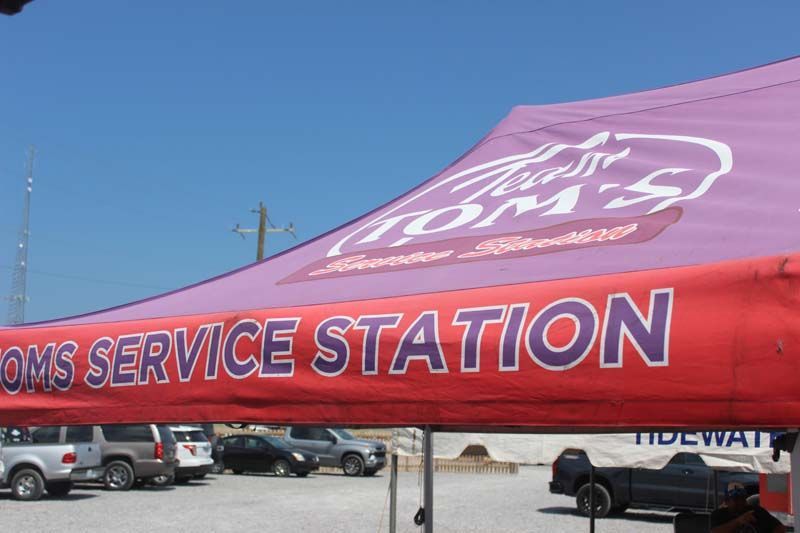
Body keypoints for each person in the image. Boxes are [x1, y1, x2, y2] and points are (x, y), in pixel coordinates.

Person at [710, 482, 785, 533]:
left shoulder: (756, 511)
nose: (740, 502)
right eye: (736, 499)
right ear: (726, 501)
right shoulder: (719, 514)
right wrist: (738, 521)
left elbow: (779, 527)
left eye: (742, 498)